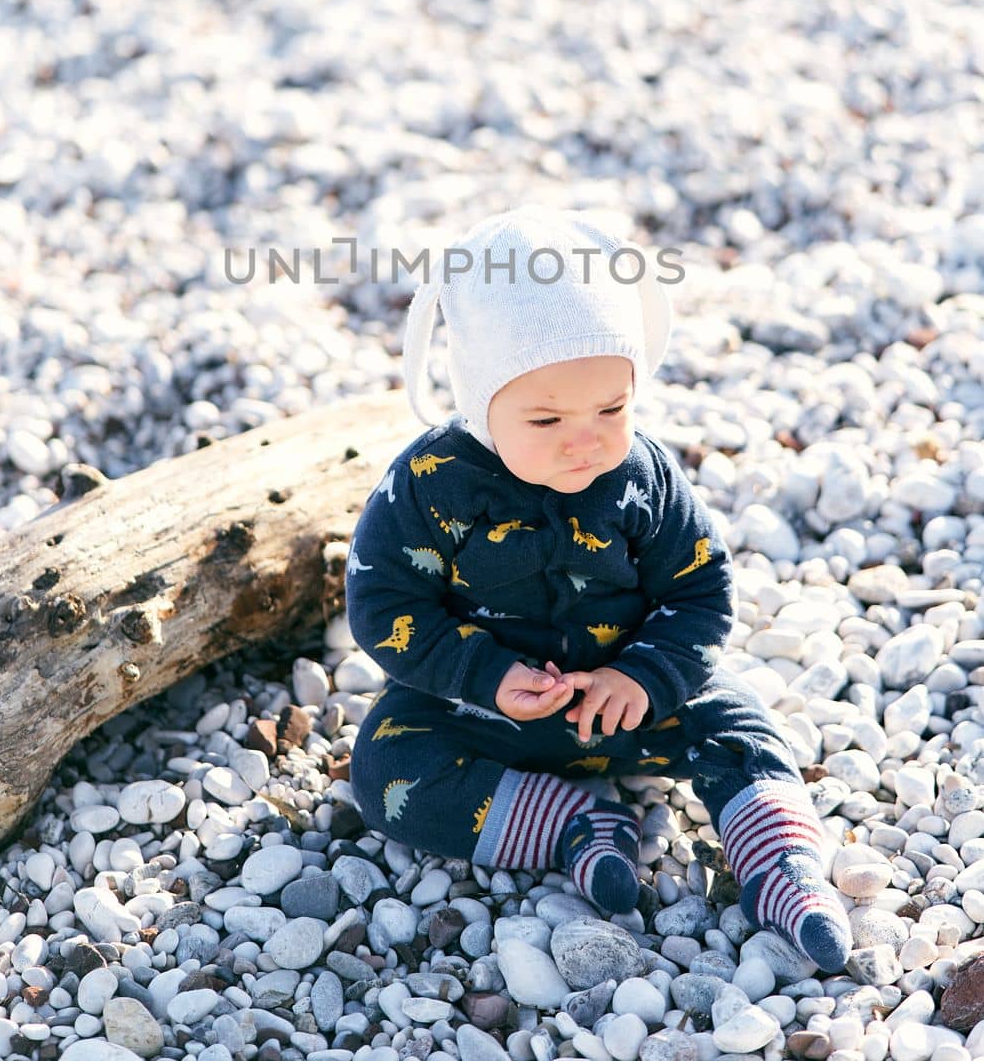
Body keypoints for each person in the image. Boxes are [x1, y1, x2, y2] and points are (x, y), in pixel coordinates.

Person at [345, 206, 852, 972]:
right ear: (481, 401)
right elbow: (383, 600)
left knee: (740, 723)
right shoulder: (429, 483)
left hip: (631, 705)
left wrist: (642, 676)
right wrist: (481, 674)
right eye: (544, 418)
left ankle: (781, 866)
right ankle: (573, 824)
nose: (585, 439)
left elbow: (701, 593)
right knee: (383, 774)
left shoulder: (641, 475)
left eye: (611, 408)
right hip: (484, 711)